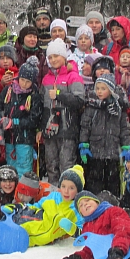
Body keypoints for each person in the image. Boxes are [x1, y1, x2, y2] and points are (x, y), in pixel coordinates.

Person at [41, 39, 85, 183]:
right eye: (50, 57)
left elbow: (79, 101)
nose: (53, 60)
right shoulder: (46, 79)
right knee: (51, 165)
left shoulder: (73, 76)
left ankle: (67, 196)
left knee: (66, 164)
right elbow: (42, 105)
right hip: (50, 129)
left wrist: (59, 95)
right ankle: (54, 196)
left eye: (56, 56)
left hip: (67, 128)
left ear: (64, 57)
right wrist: (39, 129)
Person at [79, 74, 130, 197]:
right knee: (94, 181)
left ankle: (112, 203)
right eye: (98, 88)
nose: (99, 92)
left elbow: (124, 129)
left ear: (111, 90)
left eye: (103, 88)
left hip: (112, 152)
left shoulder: (118, 109)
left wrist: (126, 147)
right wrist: (83, 145)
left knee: (112, 182)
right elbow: (85, 127)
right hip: (95, 152)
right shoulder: (92, 107)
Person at [0, 57, 43, 177]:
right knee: (10, 165)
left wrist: (14, 122)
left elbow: (33, 119)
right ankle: (10, 190)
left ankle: (23, 192)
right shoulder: (8, 90)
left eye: (28, 81)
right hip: (8, 137)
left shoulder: (34, 96)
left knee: (24, 167)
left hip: (24, 138)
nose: (24, 84)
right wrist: (0, 119)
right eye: (22, 80)